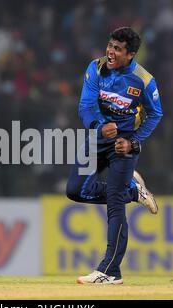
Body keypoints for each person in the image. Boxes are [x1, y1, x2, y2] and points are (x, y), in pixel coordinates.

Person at [66, 27, 163, 284]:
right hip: (97, 140)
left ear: (130, 54)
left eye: (118, 49)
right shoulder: (95, 68)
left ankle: (110, 271)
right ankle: (134, 191)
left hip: (123, 146)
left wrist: (133, 143)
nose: (110, 52)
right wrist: (98, 126)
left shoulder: (143, 80)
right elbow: (85, 105)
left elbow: (155, 114)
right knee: (75, 191)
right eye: (110, 45)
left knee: (114, 203)